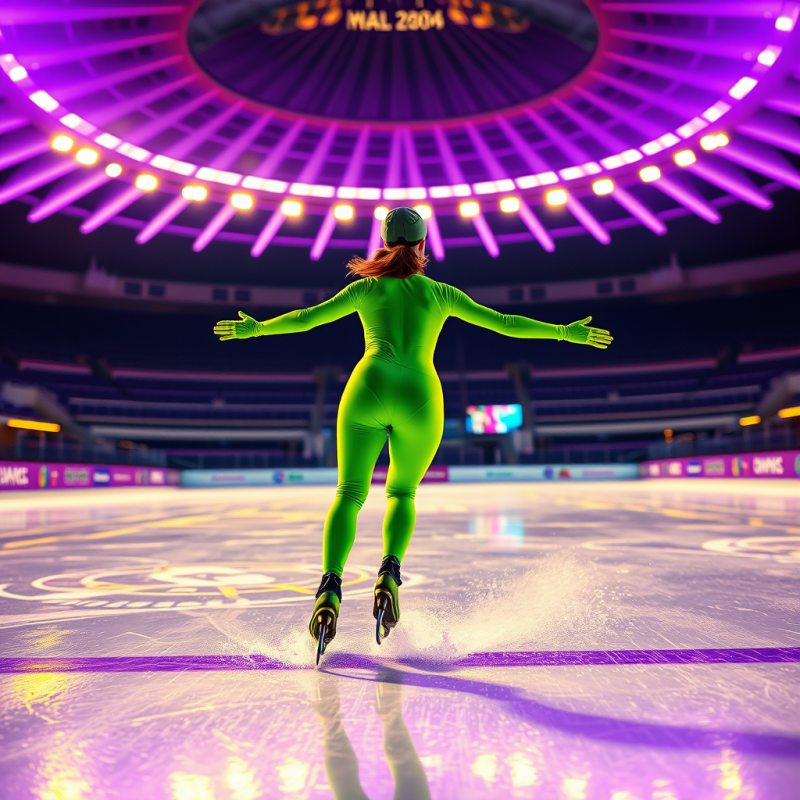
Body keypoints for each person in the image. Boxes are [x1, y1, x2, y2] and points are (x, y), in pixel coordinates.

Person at [213, 207, 612, 659]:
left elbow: (307, 318)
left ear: (384, 244)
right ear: (424, 247)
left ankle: (330, 584)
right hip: (422, 397)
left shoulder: (365, 286)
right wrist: (563, 332)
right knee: (401, 494)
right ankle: (389, 573)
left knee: (348, 493)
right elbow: (503, 323)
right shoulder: (441, 293)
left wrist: (258, 328)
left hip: (368, 387)